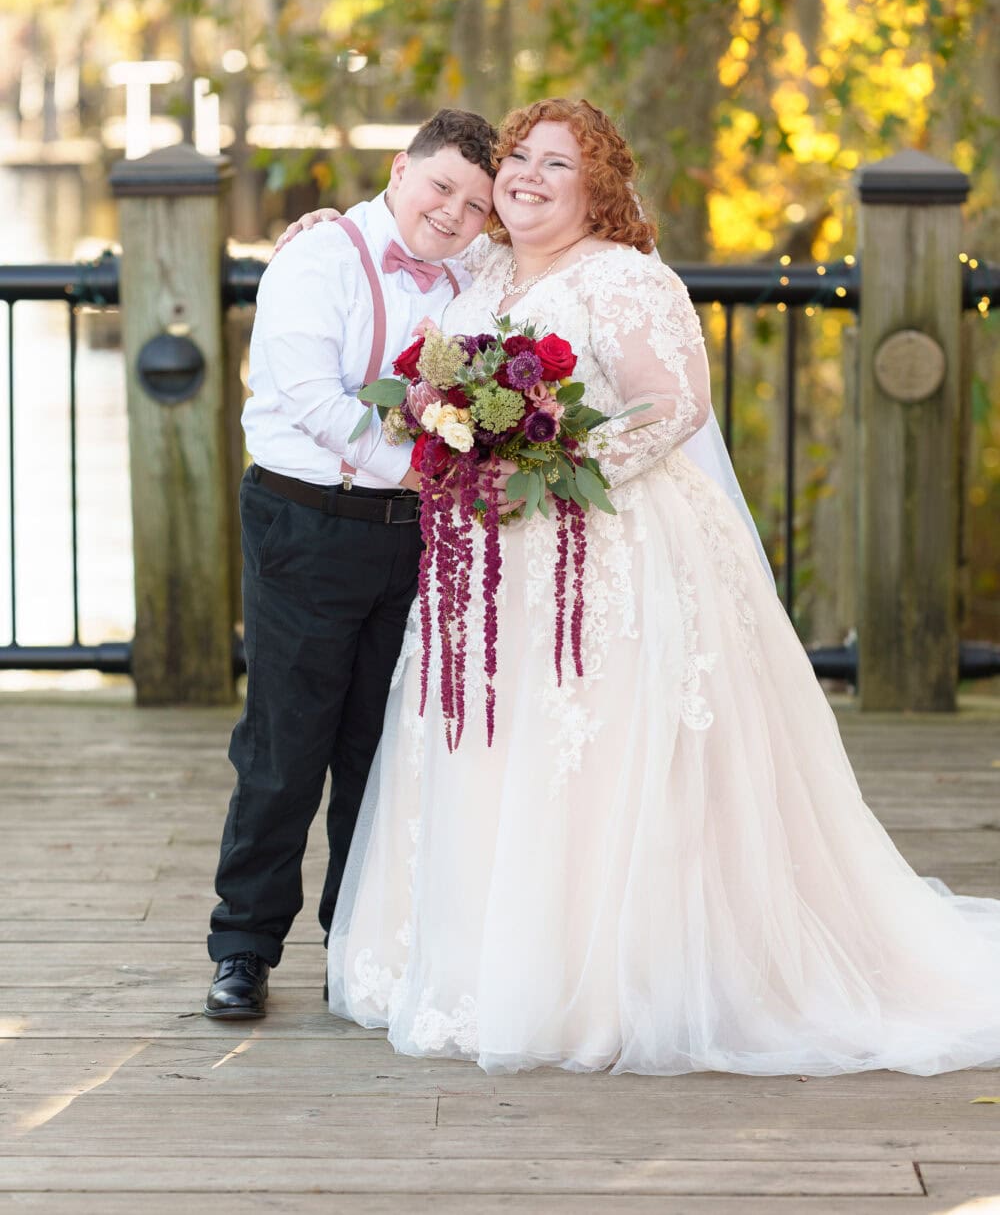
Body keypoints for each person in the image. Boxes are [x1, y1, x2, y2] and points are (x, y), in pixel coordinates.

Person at [297, 99, 1000, 1076]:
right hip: (487, 562)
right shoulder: (483, 269)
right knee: (497, 751)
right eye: (519, 159)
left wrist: (542, 468)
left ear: (598, 187)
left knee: (602, 758)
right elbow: (403, 246)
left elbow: (672, 408)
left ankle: (609, 978)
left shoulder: (625, 280)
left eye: (559, 164)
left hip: (612, 549)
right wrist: (327, 241)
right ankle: (479, 960)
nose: (529, 177)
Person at [203, 108, 496, 1019]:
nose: (452, 213)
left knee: (381, 749)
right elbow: (308, 398)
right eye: (442, 185)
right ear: (401, 170)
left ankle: (356, 945)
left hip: (420, 539)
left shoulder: (481, 274)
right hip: (305, 523)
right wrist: (426, 467)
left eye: (476, 204)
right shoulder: (319, 256)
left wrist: (437, 487)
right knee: (285, 745)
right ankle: (244, 947)